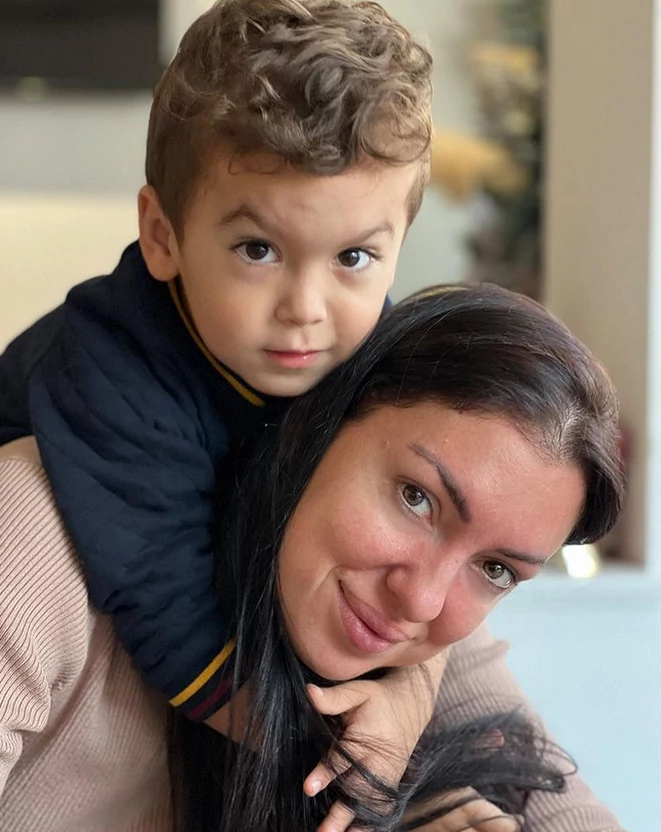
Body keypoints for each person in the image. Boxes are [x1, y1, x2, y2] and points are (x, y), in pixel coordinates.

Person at [0, 4, 445, 823]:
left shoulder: (361, 362)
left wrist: (411, 695)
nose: (306, 308)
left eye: (353, 257)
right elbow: (170, 609)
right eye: (257, 250)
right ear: (162, 236)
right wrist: (338, 753)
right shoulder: (116, 379)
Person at [0, 284, 625, 831]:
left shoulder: (411, 632)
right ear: (320, 421)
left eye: (496, 569)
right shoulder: (34, 526)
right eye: (416, 498)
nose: (421, 599)